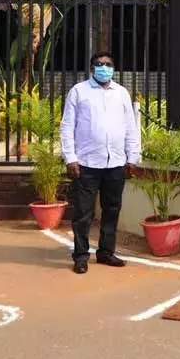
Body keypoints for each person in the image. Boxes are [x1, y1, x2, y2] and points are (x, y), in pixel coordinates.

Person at [60, 51, 141, 274]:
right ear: (91, 67)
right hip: (86, 163)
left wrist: (132, 157)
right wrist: (71, 157)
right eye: (99, 64)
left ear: (113, 69)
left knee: (112, 209)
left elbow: (130, 127)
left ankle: (106, 252)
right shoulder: (79, 91)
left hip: (115, 162)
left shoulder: (121, 93)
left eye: (108, 64)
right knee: (83, 212)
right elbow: (67, 126)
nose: (104, 67)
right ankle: (81, 255)